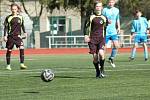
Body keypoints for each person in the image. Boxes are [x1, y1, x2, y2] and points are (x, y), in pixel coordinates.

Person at [84, 2, 108, 78]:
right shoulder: (91, 17)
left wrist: (104, 38)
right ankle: (97, 71)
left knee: (101, 53)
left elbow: (105, 27)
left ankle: (102, 69)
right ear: (94, 7)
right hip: (92, 39)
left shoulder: (104, 17)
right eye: (97, 6)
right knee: (95, 57)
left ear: (102, 8)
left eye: (99, 6)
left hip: (101, 39)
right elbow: (86, 27)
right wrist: (86, 35)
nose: (98, 7)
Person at [3, 3, 28, 70]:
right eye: (12, 9)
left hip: (18, 36)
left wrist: (25, 32)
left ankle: (22, 64)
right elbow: (5, 27)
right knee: (9, 50)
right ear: (11, 9)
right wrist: (5, 36)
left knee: (22, 47)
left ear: (17, 9)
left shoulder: (20, 17)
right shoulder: (8, 17)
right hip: (10, 36)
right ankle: (8, 65)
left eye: (15, 9)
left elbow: (22, 25)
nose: (14, 10)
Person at [102, 0, 120, 67]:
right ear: (108, 3)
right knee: (104, 48)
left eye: (112, 2)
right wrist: (106, 21)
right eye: (109, 2)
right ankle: (101, 62)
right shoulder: (104, 10)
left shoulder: (117, 10)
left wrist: (118, 27)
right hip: (106, 31)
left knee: (116, 46)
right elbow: (101, 19)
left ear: (114, 3)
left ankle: (111, 58)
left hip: (113, 31)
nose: (111, 3)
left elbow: (117, 19)